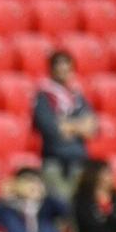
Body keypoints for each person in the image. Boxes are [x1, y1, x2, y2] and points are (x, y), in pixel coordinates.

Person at [32, 50, 96, 194]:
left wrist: (67, 125)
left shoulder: (77, 96)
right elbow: (51, 128)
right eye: (59, 67)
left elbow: (91, 127)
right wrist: (78, 126)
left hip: (78, 162)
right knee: (59, 204)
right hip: (54, 162)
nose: (63, 71)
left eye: (66, 67)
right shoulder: (44, 95)